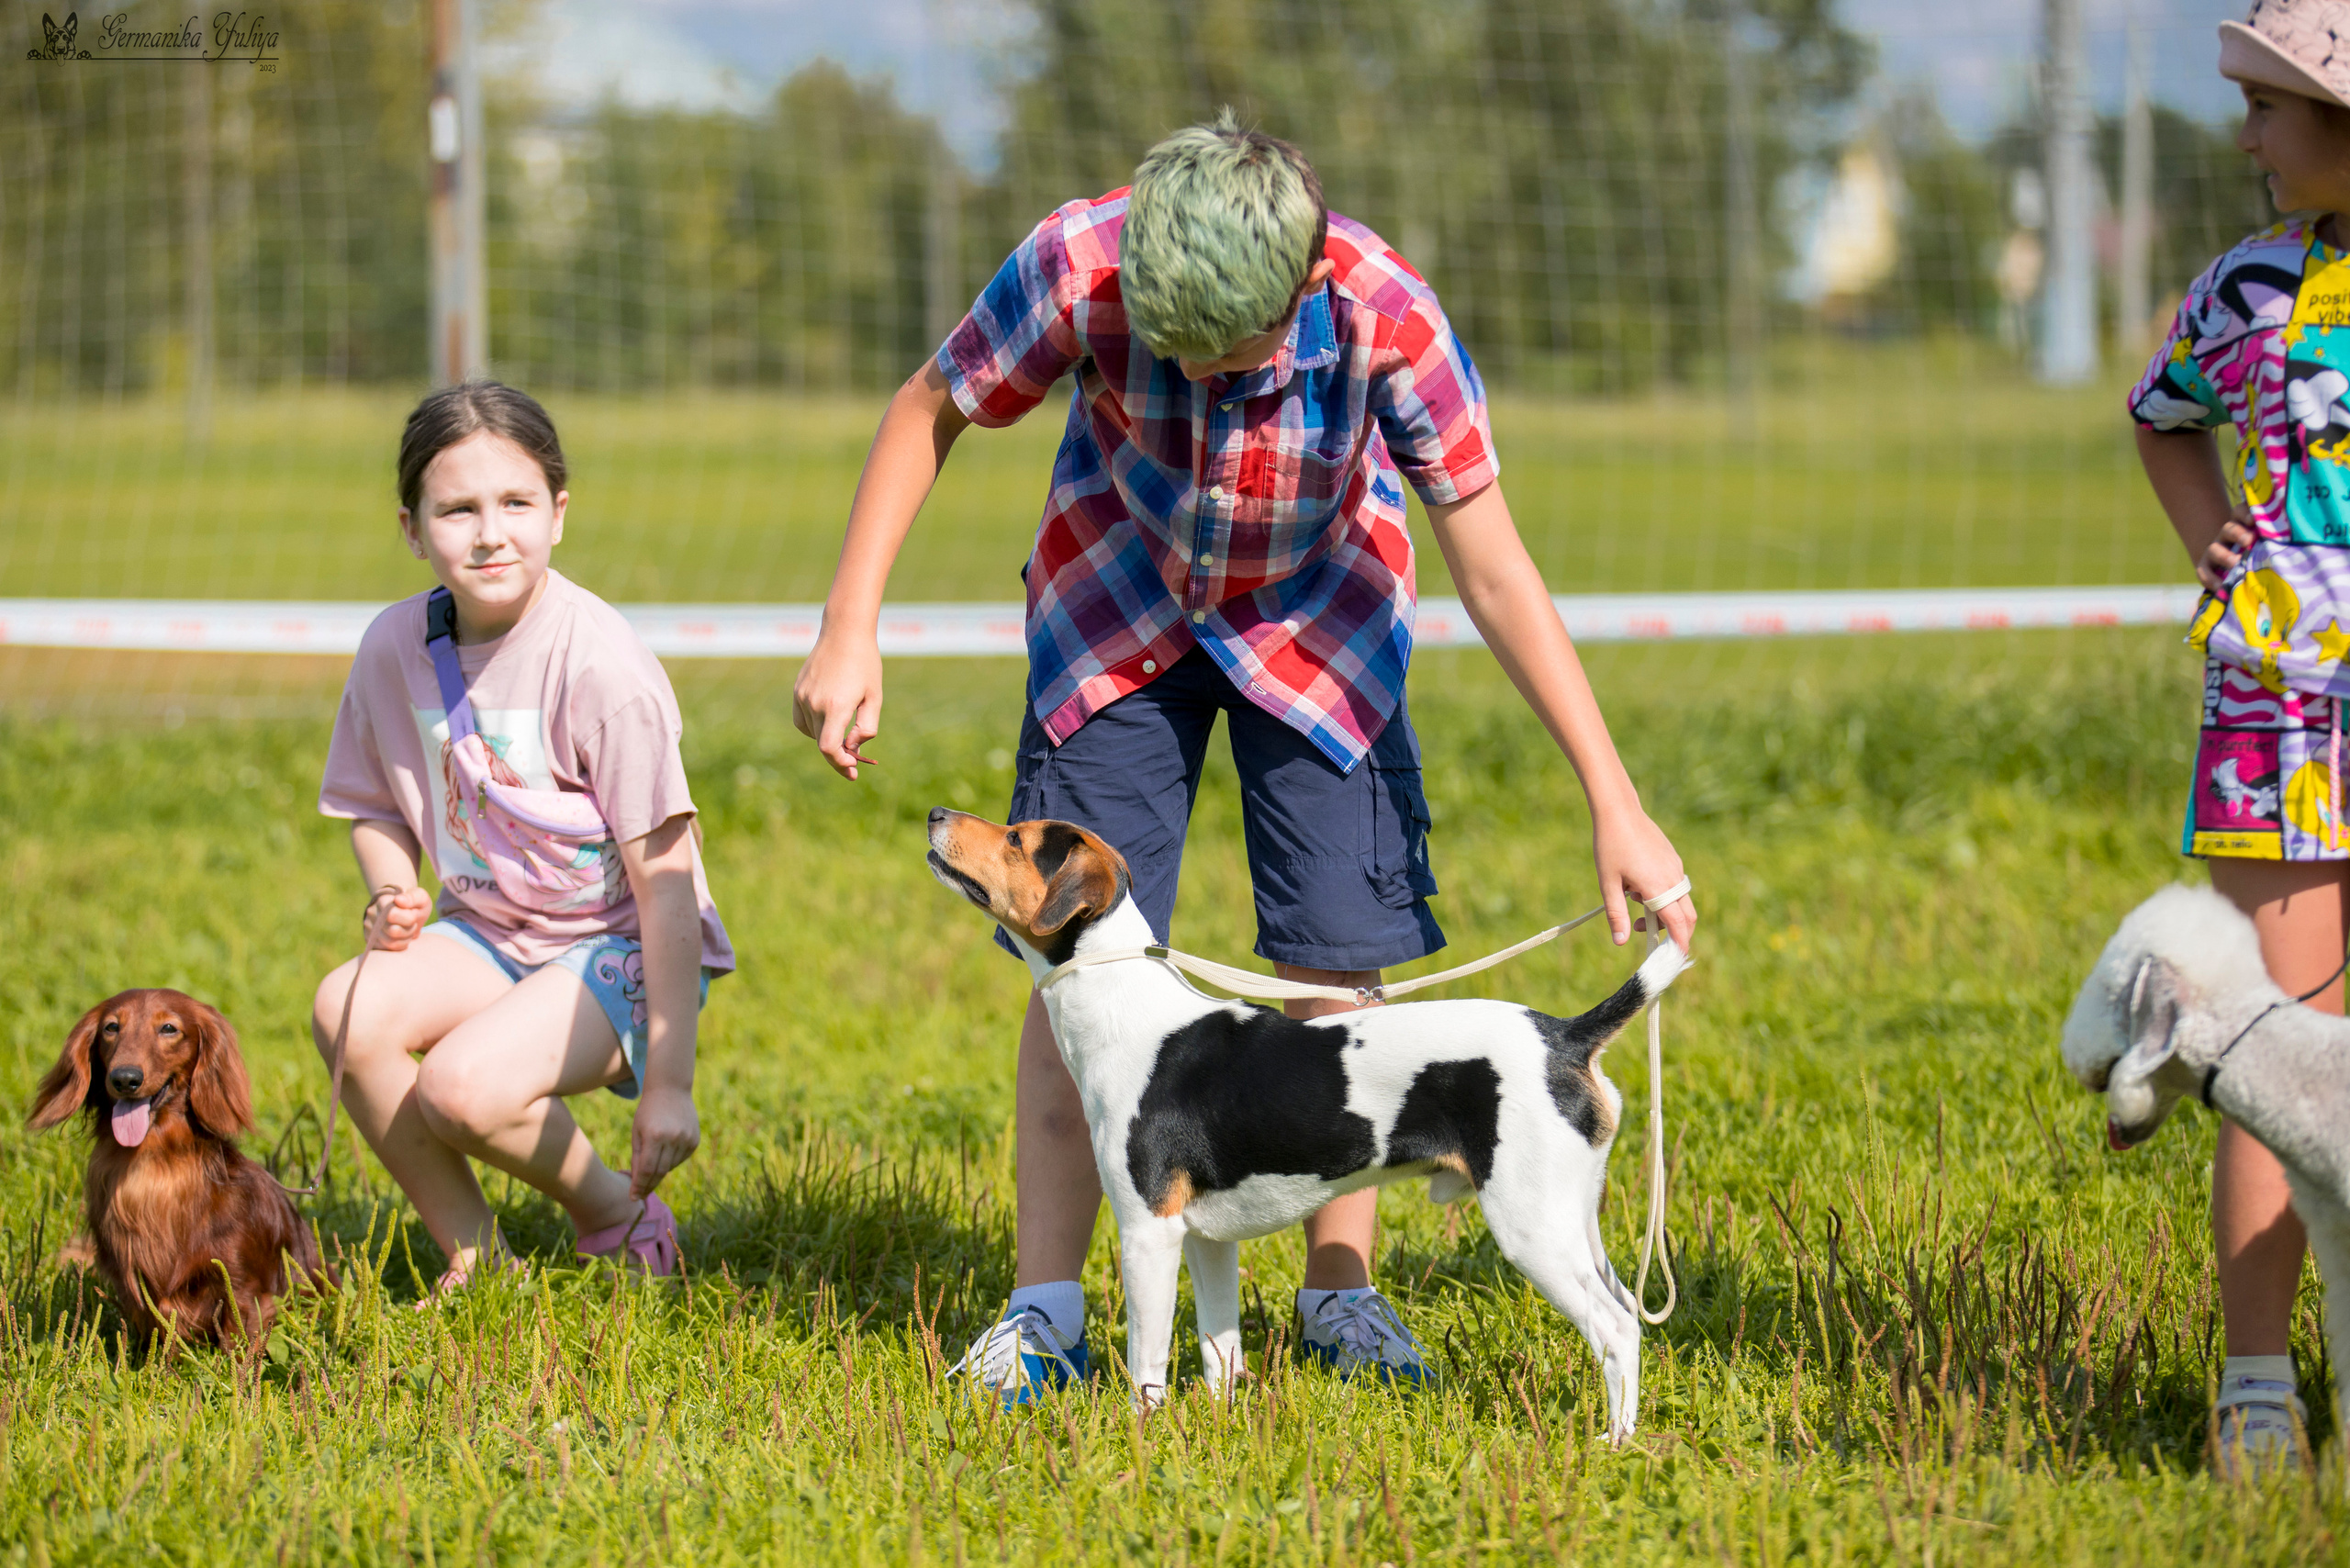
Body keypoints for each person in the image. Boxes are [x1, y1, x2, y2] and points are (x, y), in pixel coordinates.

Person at [793, 113, 1697, 1402]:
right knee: (1071, 967)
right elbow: (928, 406)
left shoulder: (1393, 318)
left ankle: (1342, 1297)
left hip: (1320, 623)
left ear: (1308, 281)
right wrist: (849, 622)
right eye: (1177, 354)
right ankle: (1045, 1310)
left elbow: (1494, 570)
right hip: (1114, 600)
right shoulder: (1075, 263)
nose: (1207, 377)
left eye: (1237, 354)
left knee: (1337, 949)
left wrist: (1616, 799)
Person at [313, 381, 734, 1294]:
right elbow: (371, 804)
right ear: (412, 527)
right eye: (457, 509)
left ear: (559, 512)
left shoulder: (599, 664)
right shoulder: (393, 648)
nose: (489, 531)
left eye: (516, 503)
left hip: (621, 948)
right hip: (491, 933)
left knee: (459, 1088)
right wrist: (393, 887)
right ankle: (478, 1258)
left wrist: (669, 1079)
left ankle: (613, 1209)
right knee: (345, 1009)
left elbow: (665, 885)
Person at [2128, 0, 2350, 1477]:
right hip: (2281, 712)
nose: (2248, 134)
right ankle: (2256, 1386)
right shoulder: (2251, 283)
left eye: (2269, 104)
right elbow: (2159, 413)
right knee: (2276, 1051)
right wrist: (2217, 543)